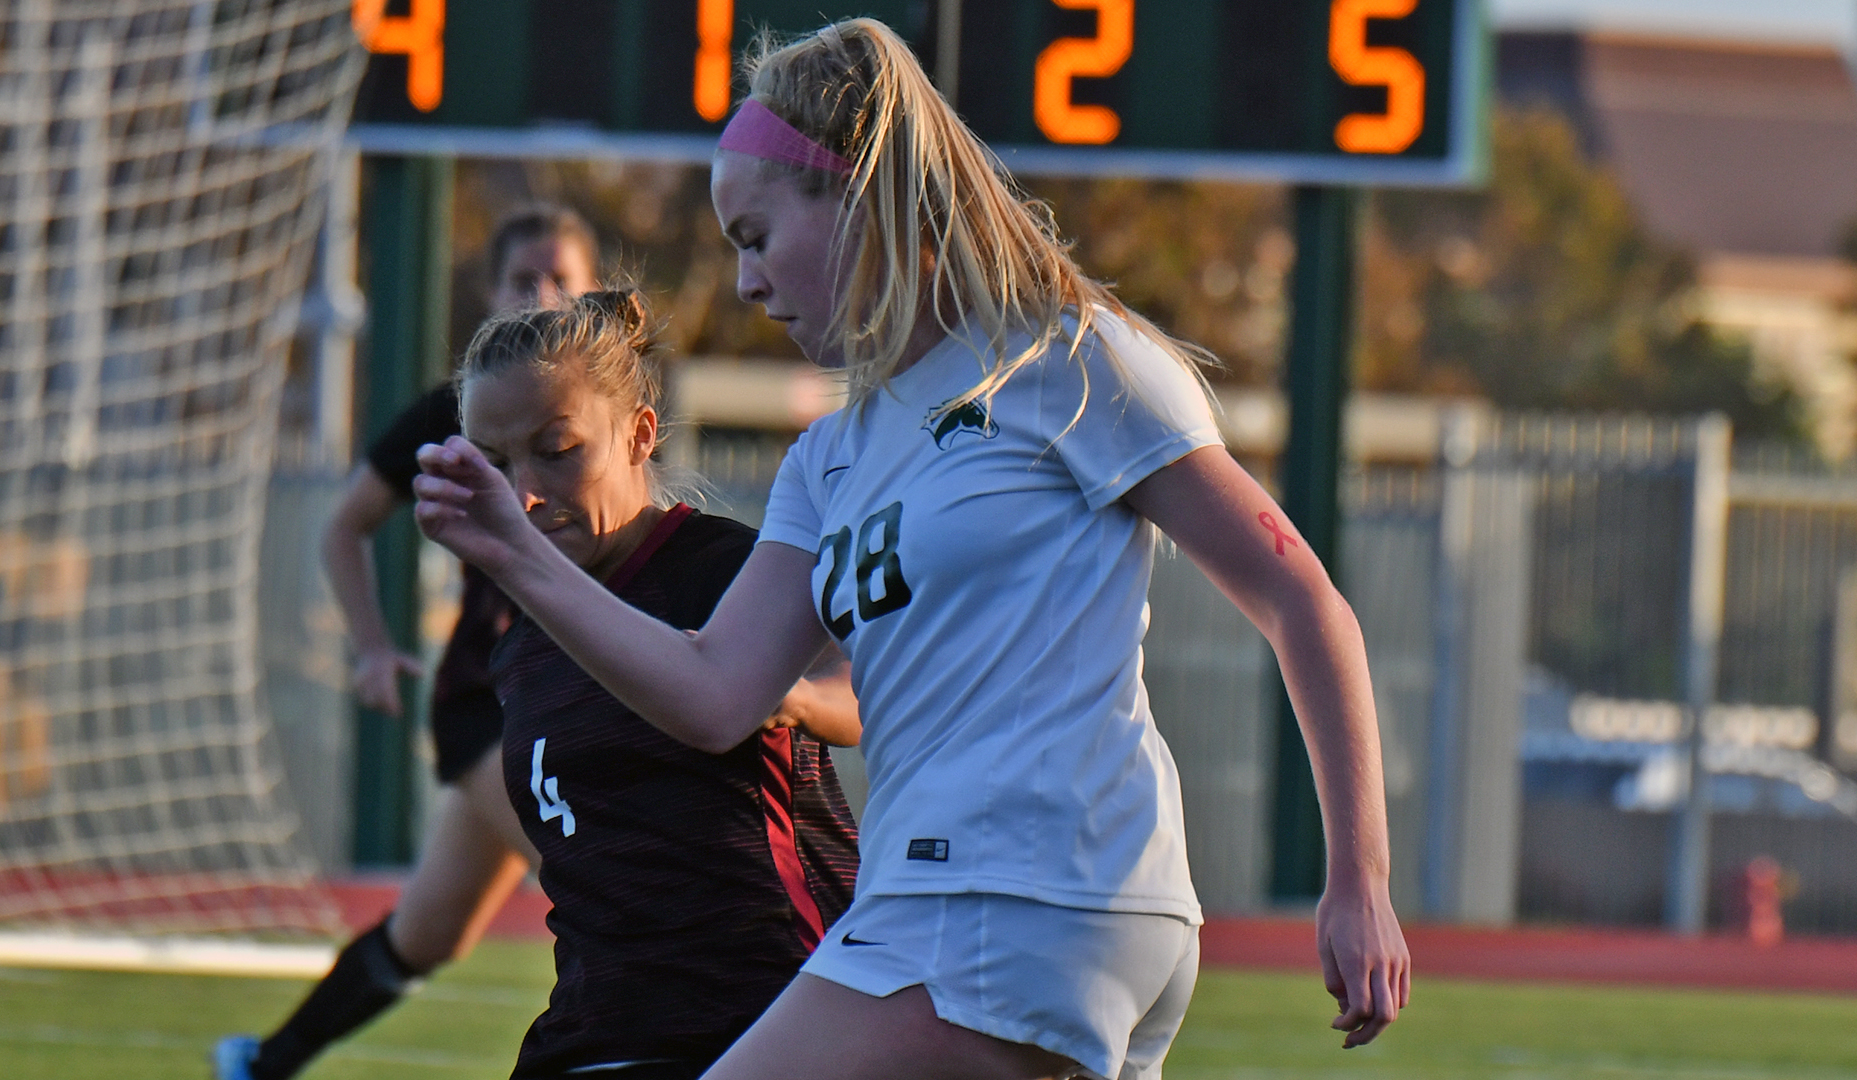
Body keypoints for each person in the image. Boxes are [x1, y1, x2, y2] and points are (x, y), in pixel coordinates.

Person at [412, 18, 1409, 1080]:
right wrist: (518, 555)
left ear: (856, 194)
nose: (746, 284)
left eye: (755, 237)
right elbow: (712, 694)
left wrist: (1361, 878)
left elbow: (1303, 599)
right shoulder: (831, 458)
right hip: (972, 906)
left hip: (1019, 896)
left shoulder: (1061, 356)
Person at [215, 206, 604, 1080]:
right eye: (522, 280)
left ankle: (260, 1064)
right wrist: (373, 646)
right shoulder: (455, 411)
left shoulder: (614, 418)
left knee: (424, 935)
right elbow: (344, 525)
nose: (542, 294)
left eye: (562, 279)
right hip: (495, 708)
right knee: (607, 887)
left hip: (577, 703)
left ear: (596, 297)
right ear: (491, 294)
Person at [459, 289, 861, 1079]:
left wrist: (788, 699)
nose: (525, 496)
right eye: (495, 463)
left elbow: (862, 691)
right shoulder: (523, 642)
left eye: (558, 449)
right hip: (599, 1024)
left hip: (761, 1013)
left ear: (640, 435)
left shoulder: (725, 571)